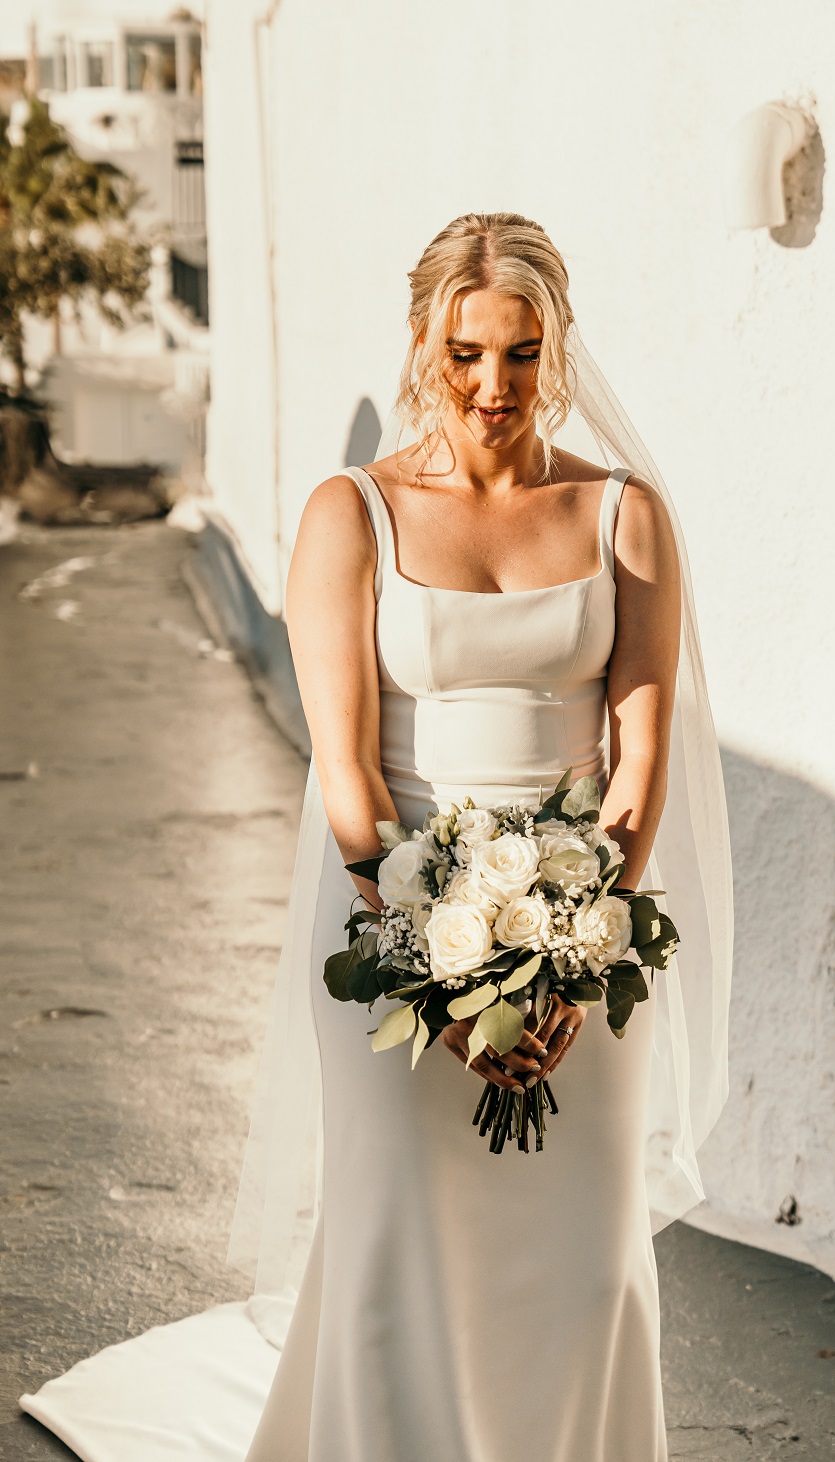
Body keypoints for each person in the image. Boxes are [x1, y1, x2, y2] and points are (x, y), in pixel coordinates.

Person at [20, 211, 733, 1462]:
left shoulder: (625, 519)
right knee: (406, 1245)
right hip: (387, 932)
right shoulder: (352, 516)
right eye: (465, 353)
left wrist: (571, 961)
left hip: (586, 937)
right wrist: (442, 984)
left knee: (580, 1262)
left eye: (520, 353)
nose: (493, 386)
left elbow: (639, 768)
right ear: (422, 344)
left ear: (556, 345)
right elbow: (348, 775)